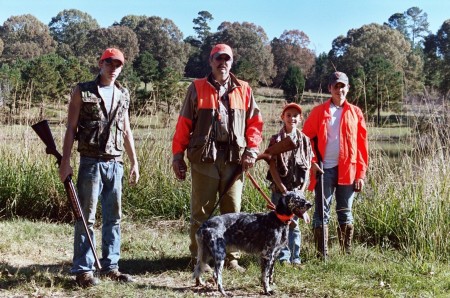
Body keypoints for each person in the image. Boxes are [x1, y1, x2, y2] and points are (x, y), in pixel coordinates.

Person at [171, 43, 263, 272]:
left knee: (233, 212)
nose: (223, 63)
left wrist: (251, 151)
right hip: (204, 159)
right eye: (218, 59)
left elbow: (255, 125)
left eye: (227, 59)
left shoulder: (244, 89)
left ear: (232, 62)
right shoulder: (196, 87)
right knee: (201, 212)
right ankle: (199, 258)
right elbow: (184, 124)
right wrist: (177, 156)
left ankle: (230, 259)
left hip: (234, 160)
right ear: (211, 61)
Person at [59, 48, 140, 287]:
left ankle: (111, 266)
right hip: (90, 162)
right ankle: (84, 270)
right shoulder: (82, 91)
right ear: (100, 63)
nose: (113, 68)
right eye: (109, 63)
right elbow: (71, 128)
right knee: (86, 218)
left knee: (114, 218)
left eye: (118, 64)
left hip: (115, 163)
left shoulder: (123, 94)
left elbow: (126, 130)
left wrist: (134, 160)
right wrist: (65, 160)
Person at [302, 71, 368, 256]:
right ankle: (321, 254)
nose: (340, 90)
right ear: (330, 88)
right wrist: (313, 163)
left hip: (349, 170)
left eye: (343, 86)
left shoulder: (355, 113)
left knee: (345, 211)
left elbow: (362, 145)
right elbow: (306, 141)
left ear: (348, 88)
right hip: (324, 169)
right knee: (321, 212)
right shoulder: (318, 112)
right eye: (336, 86)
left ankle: (345, 254)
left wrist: (361, 174)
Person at [266, 103, 313, 266]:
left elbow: (307, 166)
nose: (292, 118)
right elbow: (272, 166)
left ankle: (296, 257)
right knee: (280, 223)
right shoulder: (275, 140)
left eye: (295, 115)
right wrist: (283, 189)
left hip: (297, 190)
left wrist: (301, 190)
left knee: (295, 223)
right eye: (288, 115)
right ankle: (282, 257)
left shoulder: (305, 141)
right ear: (282, 117)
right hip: (280, 190)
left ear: (300, 119)